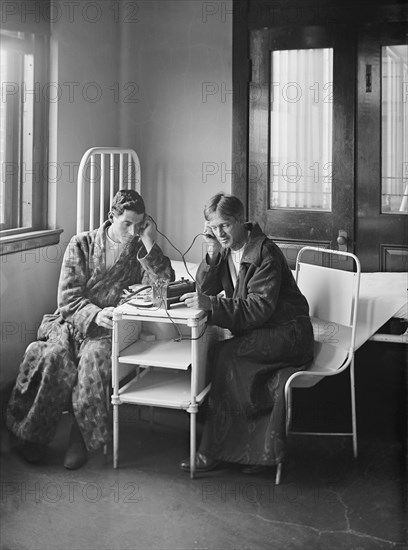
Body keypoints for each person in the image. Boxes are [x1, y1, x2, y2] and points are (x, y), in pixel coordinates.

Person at [6, 190, 174, 469]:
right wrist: (95, 314)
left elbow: (164, 286)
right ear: (111, 217)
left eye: (139, 225)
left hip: (108, 328)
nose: (132, 232)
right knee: (52, 357)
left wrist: (149, 243)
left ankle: (79, 436)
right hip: (72, 321)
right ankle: (32, 436)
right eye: (127, 224)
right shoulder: (81, 244)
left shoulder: (138, 249)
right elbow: (68, 298)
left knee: (94, 361)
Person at [179, 192, 314, 474]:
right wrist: (212, 252)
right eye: (213, 228)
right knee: (221, 353)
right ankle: (250, 453)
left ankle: (212, 451)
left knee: (227, 355)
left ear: (241, 220)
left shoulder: (265, 252)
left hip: (288, 333)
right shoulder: (226, 249)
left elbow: (258, 309)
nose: (220, 233)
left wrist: (212, 305)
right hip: (265, 331)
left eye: (225, 225)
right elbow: (203, 290)